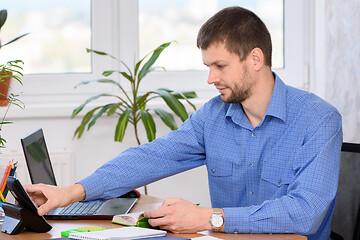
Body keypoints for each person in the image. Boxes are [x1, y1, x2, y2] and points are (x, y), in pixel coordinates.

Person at [24, 6, 342, 240]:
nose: (211, 78)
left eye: (220, 66)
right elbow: (151, 157)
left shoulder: (318, 121)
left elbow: (305, 213)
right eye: (208, 66)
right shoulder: (214, 116)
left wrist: (208, 218)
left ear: (255, 60)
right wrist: (72, 192)